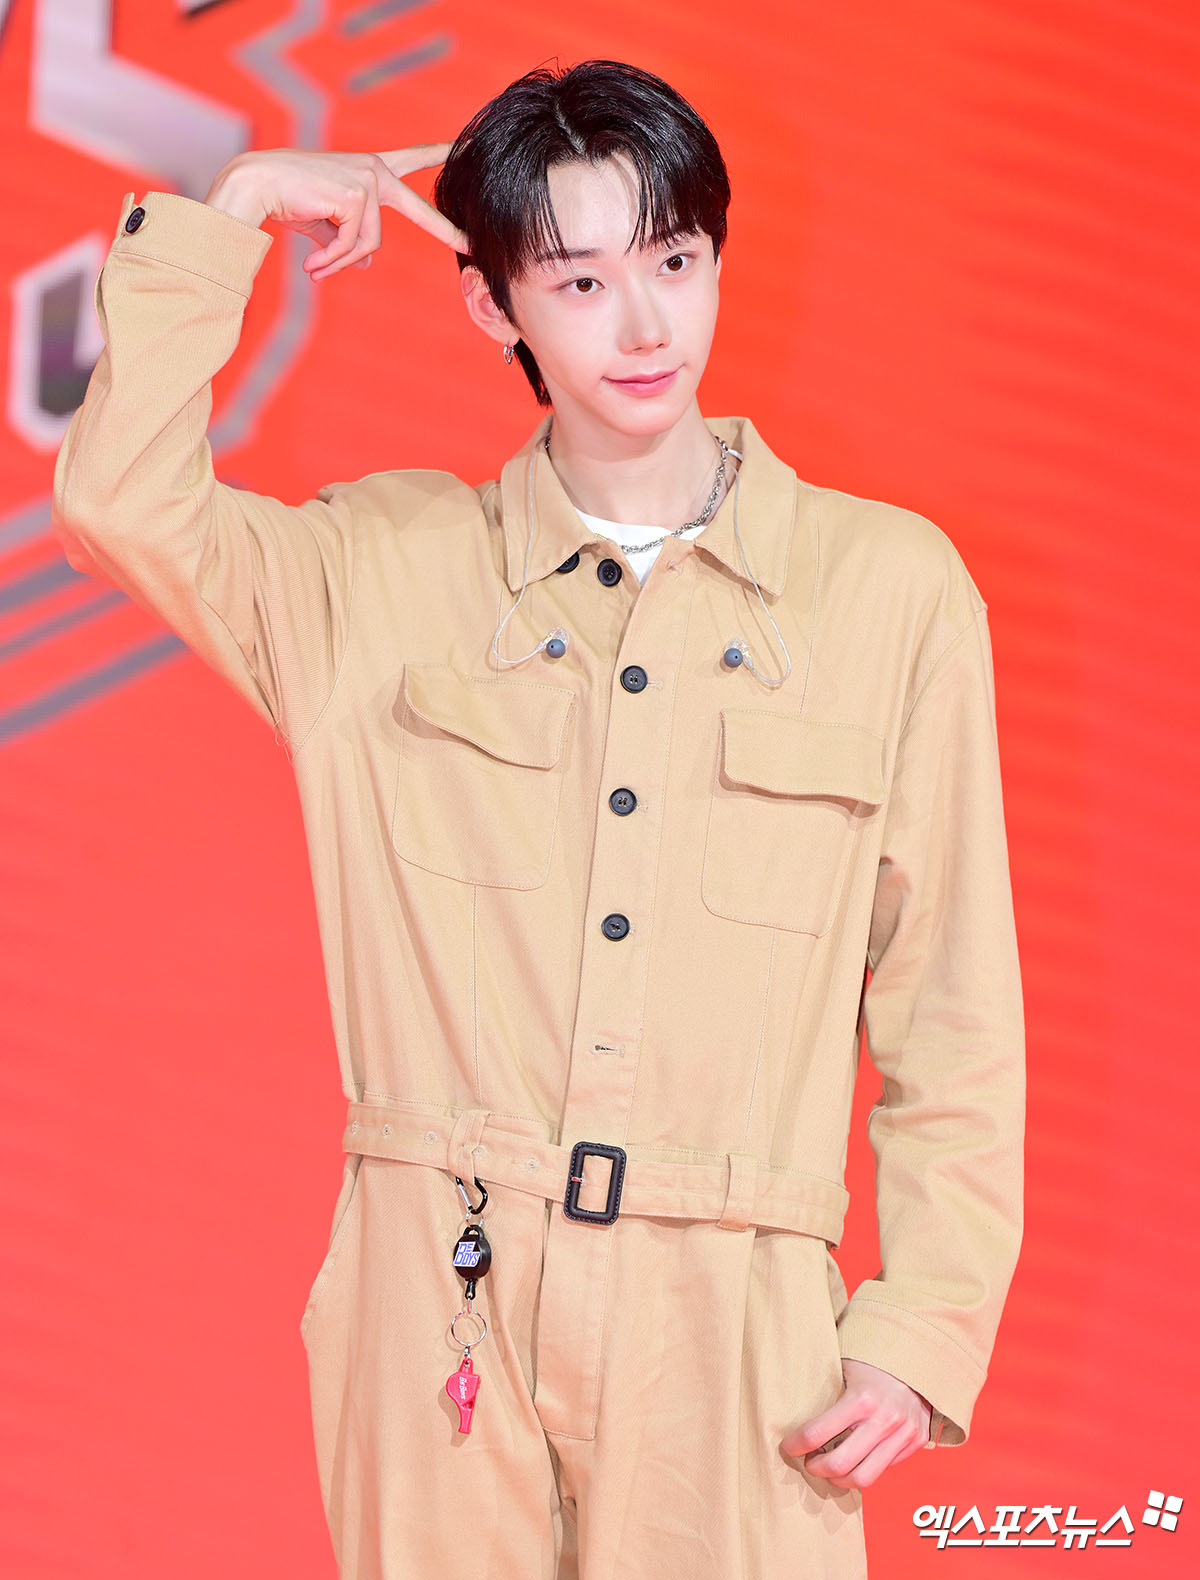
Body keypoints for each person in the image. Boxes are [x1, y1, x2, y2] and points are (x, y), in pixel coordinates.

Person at [51, 57, 1025, 1580]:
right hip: (437, 1283)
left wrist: (925, 1328)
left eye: (674, 262)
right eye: (577, 281)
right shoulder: (376, 573)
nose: (644, 326)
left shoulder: (891, 592)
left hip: (735, 1307)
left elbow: (950, 1002)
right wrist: (233, 211)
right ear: (492, 307)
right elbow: (120, 503)